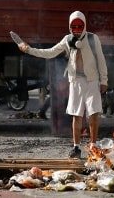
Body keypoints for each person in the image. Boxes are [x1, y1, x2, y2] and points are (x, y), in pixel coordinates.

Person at [18, 11, 108, 159]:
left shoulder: (92, 39)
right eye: (74, 26)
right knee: (76, 115)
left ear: (85, 25)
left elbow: (101, 60)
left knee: (93, 114)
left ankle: (94, 145)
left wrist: (104, 80)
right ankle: (76, 147)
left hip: (92, 81)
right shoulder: (68, 40)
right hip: (76, 82)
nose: (77, 29)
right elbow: (50, 53)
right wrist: (29, 50)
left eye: (80, 26)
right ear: (70, 27)